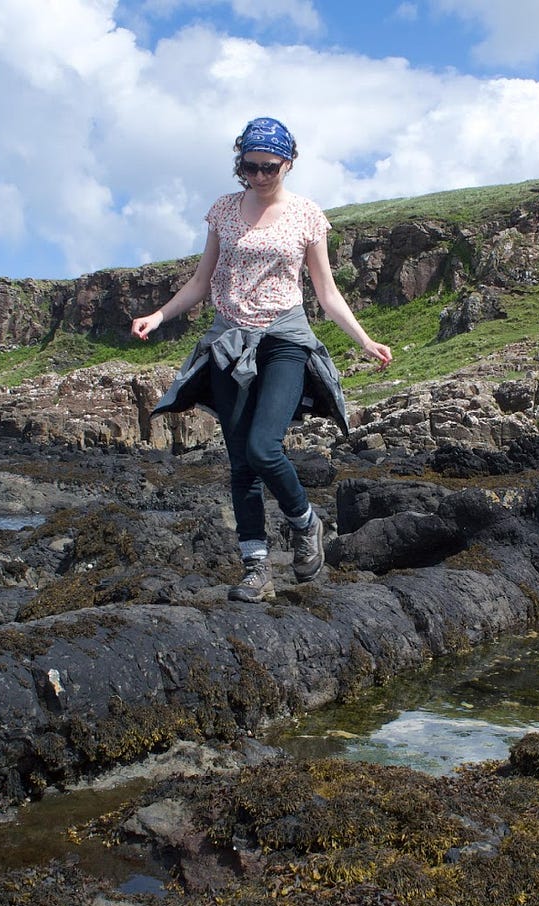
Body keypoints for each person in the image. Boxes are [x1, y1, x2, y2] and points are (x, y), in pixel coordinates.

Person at [132, 117, 393, 603]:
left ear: (287, 163)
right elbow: (201, 281)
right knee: (240, 466)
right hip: (229, 341)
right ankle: (256, 567)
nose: (256, 177)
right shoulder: (224, 211)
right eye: (248, 167)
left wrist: (363, 340)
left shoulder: (307, 216)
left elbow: (326, 291)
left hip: (284, 339)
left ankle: (304, 522)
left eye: (267, 168)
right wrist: (159, 314)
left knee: (263, 447)